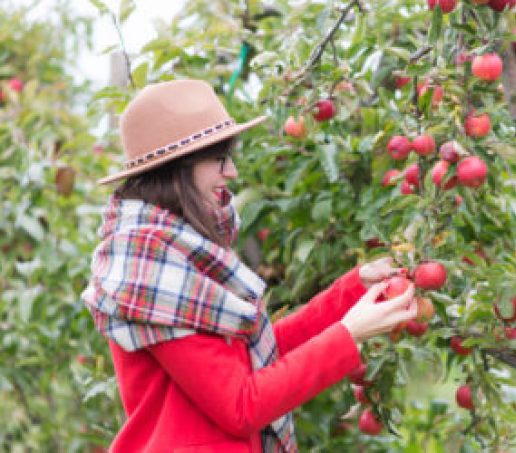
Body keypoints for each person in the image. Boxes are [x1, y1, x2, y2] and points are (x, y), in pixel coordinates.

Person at [81, 79, 418, 452]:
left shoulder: (186, 252)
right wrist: (347, 336)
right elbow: (241, 405)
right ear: (179, 168)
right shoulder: (147, 263)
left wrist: (352, 291)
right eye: (219, 159)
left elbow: (258, 353)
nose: (232, 172)